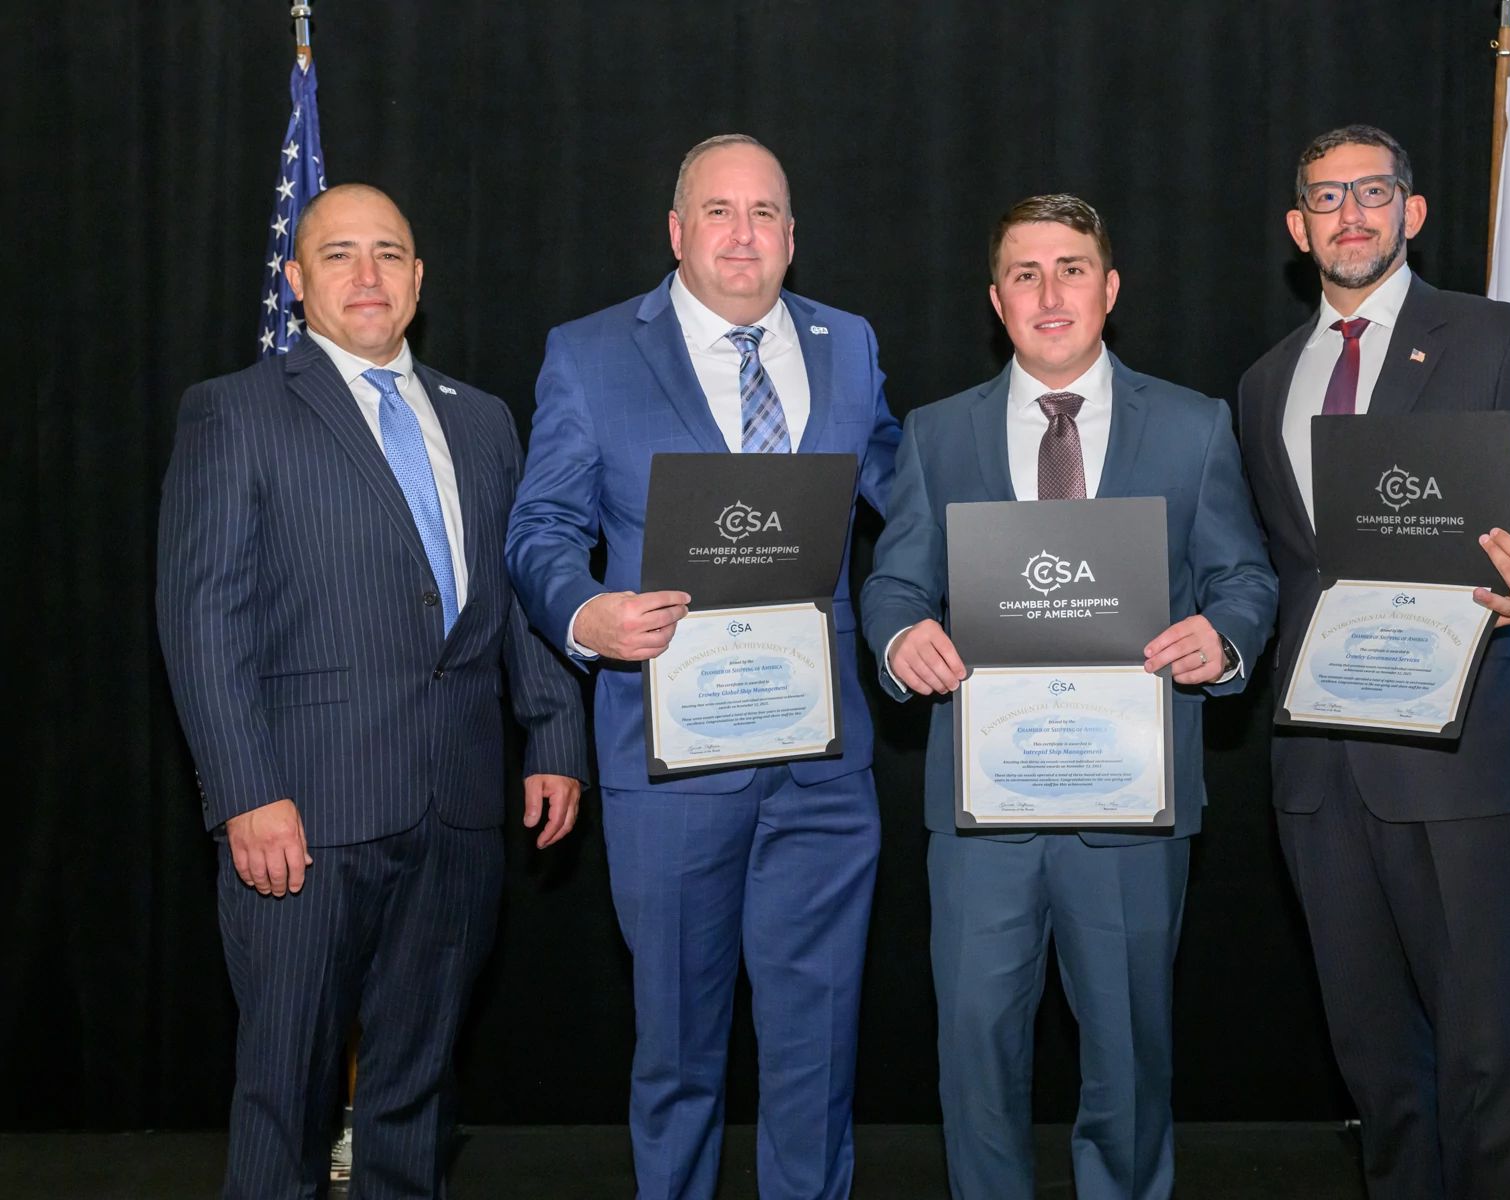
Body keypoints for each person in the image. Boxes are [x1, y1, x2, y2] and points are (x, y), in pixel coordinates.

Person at [157, 182, 588, 1198]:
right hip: (302, 816)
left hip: (458, 809)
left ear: (419, 279)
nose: (367, 275)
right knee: (286, 1091)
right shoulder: (234, 411)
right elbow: (200, 619)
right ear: (296, 280)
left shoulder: (483, 421)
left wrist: (554, 735)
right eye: (339, 254)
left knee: (417, 1091)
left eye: (389, 253)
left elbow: (514, 595)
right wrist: (246, 792)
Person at [504, 134, 900, 1200]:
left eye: (765, 213)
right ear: (676, 232)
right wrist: (585, 611)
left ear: (791, 236)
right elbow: (540, 528)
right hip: (670, 758)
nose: (742, 234)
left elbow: (904, 495)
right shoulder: (589, 353)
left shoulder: (849, 344)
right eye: (718, 212)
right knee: (678, 1051)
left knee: (818, 1053)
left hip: (822, 765)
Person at [860, 193, 1277, 1200]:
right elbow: (894, 582)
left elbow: (1245, 578)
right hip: (983, 809)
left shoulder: (1195, 427)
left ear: (1111, 288)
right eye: (1026, 274)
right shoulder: (936, 434)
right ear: (996, 300)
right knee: (974, 1051)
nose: (1050, 294)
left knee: (1130, 1056)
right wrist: (901, 635)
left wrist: (1223, 636)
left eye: (1072, 269)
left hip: (1131, 804)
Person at [1236, 125, 1510, 1199]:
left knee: (1488, 1062)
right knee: (1379, 1071)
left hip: (1456, 764)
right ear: (1298, 226)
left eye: (1372, 191)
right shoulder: (1264, 383)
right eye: (1326, 197)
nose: (1350, 214)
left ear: (1414, 210)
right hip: (1320, 776)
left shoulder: (1491, 339)